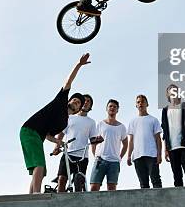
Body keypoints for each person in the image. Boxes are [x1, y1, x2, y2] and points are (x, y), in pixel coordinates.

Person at [20, 54, 90, 194]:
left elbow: (47, 135)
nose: (75, 103)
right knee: (39, 165)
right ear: (69, 101)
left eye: (78, 104)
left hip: (36, 136)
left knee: (39, 169)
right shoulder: (61, 101)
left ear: (77, 110)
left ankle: (30, 197)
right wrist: (79, 65)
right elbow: (69, 80)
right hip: (30, 130)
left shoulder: (63, 123)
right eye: (74, 100)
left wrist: (59, 142)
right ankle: (37, 196)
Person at [52, 94, 97, 192]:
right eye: (84, 100)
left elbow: (93, 139)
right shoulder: (70, 118)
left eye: (88, 101)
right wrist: (56, 147)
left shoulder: (91, 122)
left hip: (82, 156)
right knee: (62, 179)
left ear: (90, 107)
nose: (86, 102)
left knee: (79, 180)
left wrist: (98, 140)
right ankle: (60, 202)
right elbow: (61, 134)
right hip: (68, 153)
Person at [161, 84, 185, 187]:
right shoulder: (165, 110)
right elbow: (165, 131)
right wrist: (166, 149)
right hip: (172, 148)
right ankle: (179, 202)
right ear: (168, 94)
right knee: (177, 177)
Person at [90, 99, 128, 191]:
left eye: (115, 107)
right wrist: (95, 155)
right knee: (94, 188)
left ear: (117, 110)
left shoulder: (122, 127)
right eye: (110, 106)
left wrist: (119, 157)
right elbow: (93, 142)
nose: (112, 108)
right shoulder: (100, 124)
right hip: (100, 160)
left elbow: (126, 145)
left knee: (112, 190)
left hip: (114, 162)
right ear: (106, 108)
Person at [127, 95, 163, 189]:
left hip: (151, 155)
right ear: (136, 105)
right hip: (138, 156)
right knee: (143, 184)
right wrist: (129, 155)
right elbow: (131, 141)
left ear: (147, 104)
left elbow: (158, 139)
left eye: (142, 101)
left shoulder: (153, 120)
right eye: (138, 102)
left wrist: (159, 154)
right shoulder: (132, 121)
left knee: (156, 181)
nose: (140, 103)